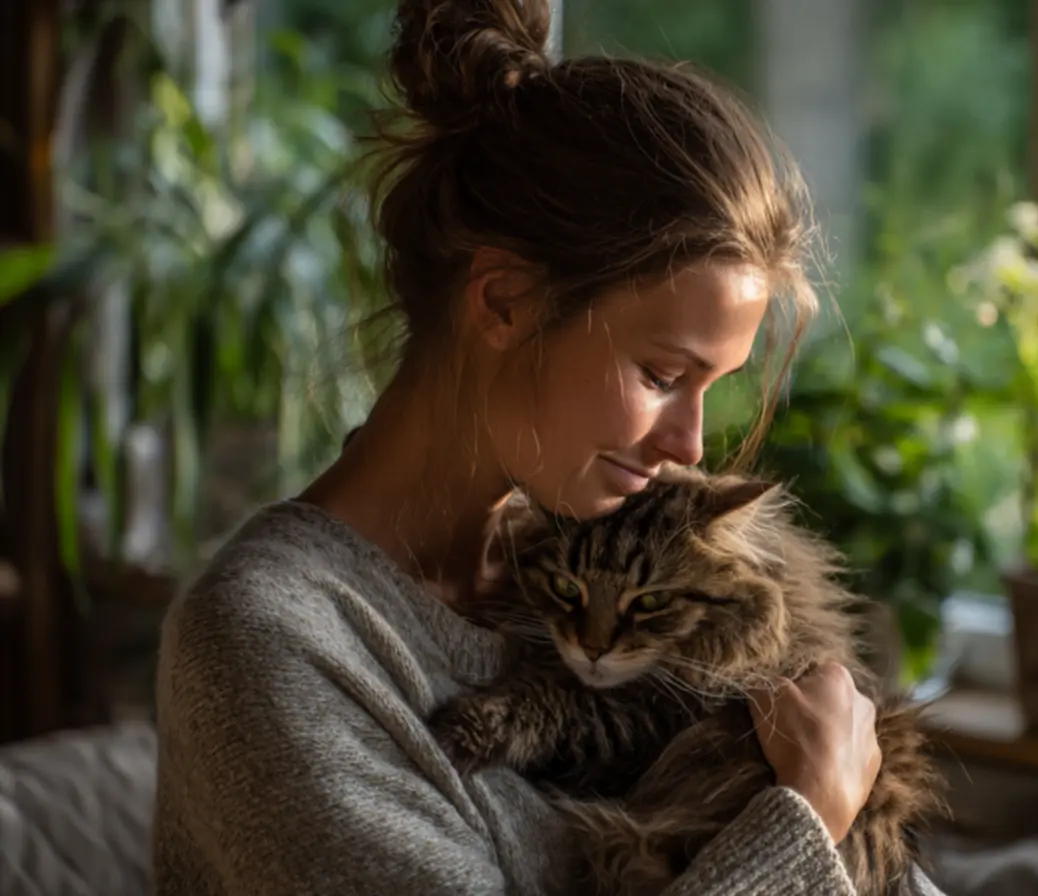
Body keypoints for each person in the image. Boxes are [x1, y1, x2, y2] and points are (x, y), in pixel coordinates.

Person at [152, 1, 945, 893]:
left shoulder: (605, 553)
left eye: (710, 388)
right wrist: (809, 815)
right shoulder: (272, 640)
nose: (688, 444)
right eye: (659, 373)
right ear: (503, 303)